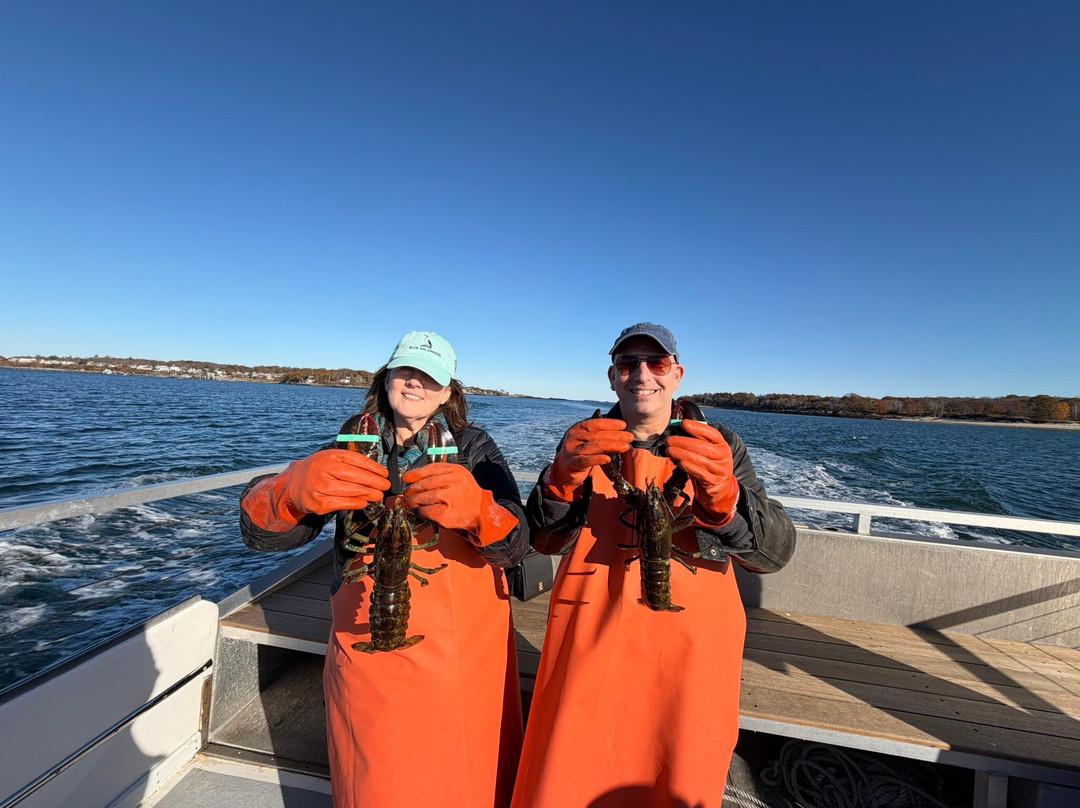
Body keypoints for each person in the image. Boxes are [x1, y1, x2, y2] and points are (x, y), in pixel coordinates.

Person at [239, 330, 530, 808]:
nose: (415, 383)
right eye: (406, 371)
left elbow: (518, 543)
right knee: (375, 779)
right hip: (366, 640)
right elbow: (264, 536)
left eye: (429, 377)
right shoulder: (350, 443)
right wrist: (287, 491)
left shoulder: (475, 448)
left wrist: (481, 510)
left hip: (461, 649)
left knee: (465, 777)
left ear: (448, 391)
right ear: (387, 377)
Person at [511, 322, 796, 808]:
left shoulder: (719, 443)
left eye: (656, 363)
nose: (642, 375)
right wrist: (560, 482)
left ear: (677, 374)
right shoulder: (584, 440)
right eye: (628, 364)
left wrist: (727, 502)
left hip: (690, 650)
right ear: (612, 376)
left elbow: (774, 553)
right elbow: (541, 538)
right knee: (570, 774)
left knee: (679, 772)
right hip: (591, 637)